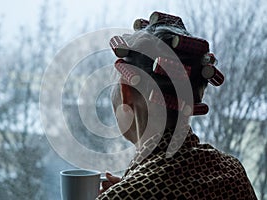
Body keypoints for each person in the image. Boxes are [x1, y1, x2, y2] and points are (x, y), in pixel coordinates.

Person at [96, 11, 257, 200]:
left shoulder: (124, 196)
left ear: (126, 91)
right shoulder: (233, 172)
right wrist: (128, 184)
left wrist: (122, 193)